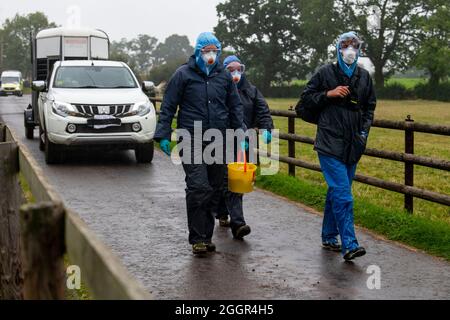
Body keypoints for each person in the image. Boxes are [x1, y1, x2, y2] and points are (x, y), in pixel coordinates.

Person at [154, 32, 245, 255]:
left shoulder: (223, 76)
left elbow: (234, 107)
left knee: (213, 189)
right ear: (198, 51)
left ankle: (205, 236)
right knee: (198, 187)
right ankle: (198, 239)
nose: (211, 55)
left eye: (215, 50)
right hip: (190, 137)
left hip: (219, 139)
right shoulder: (183, 75)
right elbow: (168, 105)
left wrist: (240, 135)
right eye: (207, 51)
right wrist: (163, 134)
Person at [299, 31, 376, 261]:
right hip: (329, 143)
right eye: (345, 45)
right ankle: (350, 244)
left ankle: (329, 235)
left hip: (353, 144)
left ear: (359, 49)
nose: (350, 49)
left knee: (337, 191)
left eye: (354, 45)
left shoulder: (364, 77)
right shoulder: (325, 73)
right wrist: (328, 94)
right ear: (338, 48)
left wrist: (363, 133)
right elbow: (304, 102)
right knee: (344, 195)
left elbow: (369, 107)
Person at [214, 55, 274, 240]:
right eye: (230, 69)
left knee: (238, 180)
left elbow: (262, 110)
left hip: (244, 142)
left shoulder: (251, 91)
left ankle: (226, 213)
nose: (235, 73)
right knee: (225, 180)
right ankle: (237, 222)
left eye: (238, 68)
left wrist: (266, 128)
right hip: (222, 140)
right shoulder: (218, 90)